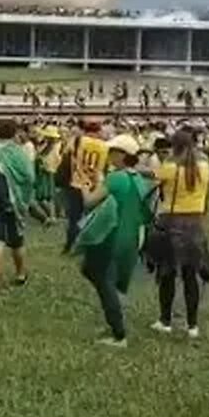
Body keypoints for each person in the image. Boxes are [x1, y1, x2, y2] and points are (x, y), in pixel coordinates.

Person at [75, 134, 150, 348]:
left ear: (122, 155)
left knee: (100, 277)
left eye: (113, 152)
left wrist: (83, 185)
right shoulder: (138, 178)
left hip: (110, 234)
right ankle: (113, 321)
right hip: (131, 235)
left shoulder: (116, 178)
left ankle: (118, 333)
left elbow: (90, 202)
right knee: (100, 274)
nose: (108, 155)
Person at [148, 130, 209, 339]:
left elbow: (155, 180)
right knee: (190, 275)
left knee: (167, 274)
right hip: (195, 224)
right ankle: (192, 325)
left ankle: (165, 320)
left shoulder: (169, 167)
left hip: (172, 221)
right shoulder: (204, 167)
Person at [0, 120, 36, 293]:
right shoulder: (19, 152)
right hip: (14, 200)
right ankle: (20, 273)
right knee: (17, 239)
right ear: (14, 133)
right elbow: (30, 177)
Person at [58, 119, 109, 254]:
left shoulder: (78, 140)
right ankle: (87, 245)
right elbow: (106, 167)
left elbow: (65, 154)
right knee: (92, 217)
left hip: (77, 183)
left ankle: (69, 245)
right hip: (95, 184)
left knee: (74, 217)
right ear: (98, 131)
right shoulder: (105, 146)